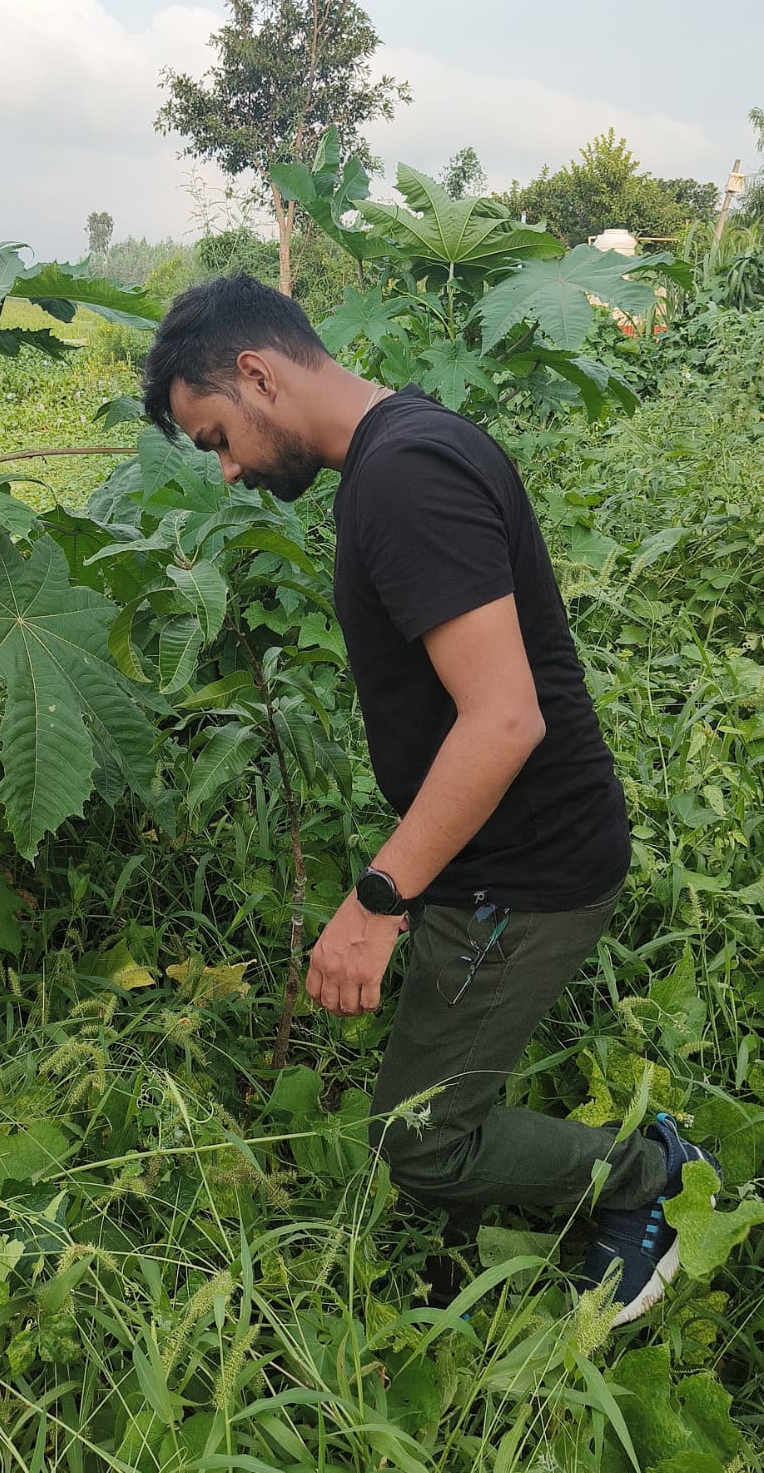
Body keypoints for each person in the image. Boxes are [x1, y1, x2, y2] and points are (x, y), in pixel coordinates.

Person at [142, 273, 721, 1326]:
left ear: (258, 375)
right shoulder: (405, 441)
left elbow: (502, 719)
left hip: (525, 869)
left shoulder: (402, 475)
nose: (223, 470)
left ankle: (653, 1176)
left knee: (419, 1143)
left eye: (216, 436)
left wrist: (373, 901)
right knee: (425, 1092)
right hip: (494, 852)